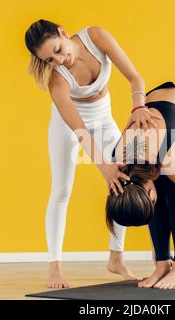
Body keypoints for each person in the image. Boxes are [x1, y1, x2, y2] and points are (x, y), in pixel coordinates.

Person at [25, 20, 159, 288]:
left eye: (59, 50)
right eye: (50, 60)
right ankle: (55, 267)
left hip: (104, 119)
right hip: (70, 127)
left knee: (125, 178)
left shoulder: (96, 37)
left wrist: (138, 107)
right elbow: (80, 131)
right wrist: (103, 167)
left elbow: (135, 78)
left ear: (63, 33)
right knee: (61, 190)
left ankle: (116, 258)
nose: (60, 61)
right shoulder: (57, 81)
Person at [106, 81, 175, 289]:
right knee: (162, 182)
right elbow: (137, 196)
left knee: (174, 187)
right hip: (159, 108)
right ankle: (163, 266)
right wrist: (160, 255)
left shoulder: (170, 159)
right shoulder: (118, 166)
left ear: (148, 190)